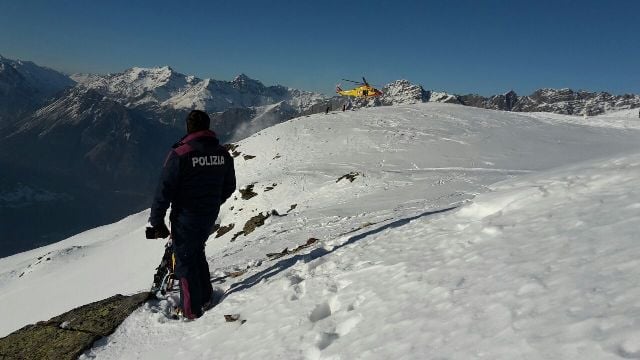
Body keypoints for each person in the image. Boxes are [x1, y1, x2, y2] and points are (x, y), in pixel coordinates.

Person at [147, 110, 236, 319]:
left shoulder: (180, 153)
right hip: (209, 214)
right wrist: (213, 202)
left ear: (188, 127)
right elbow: (230, 186)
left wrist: (157, 222)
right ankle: (205, 296)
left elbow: (163, 190)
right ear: (208, 127)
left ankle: (190, 310)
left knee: (185, 261)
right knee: (196, 252)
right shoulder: (222, 153)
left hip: (186, 216)